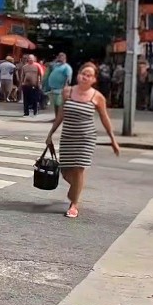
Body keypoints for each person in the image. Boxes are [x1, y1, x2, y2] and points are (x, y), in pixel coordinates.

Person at [44, 62, 120, 218]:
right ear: (78, 75)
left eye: (89, 75)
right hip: (68, 137)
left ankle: (74, 204)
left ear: (94, 80)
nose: (85, 77)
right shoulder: (67, 91)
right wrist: (50, 134)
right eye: (83, 73)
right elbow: (61, 115)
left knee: (79, 169)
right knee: (65, 172)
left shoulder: (97, 97)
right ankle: (77, 189)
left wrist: (113, 139)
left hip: (86, 138)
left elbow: (105, 119)